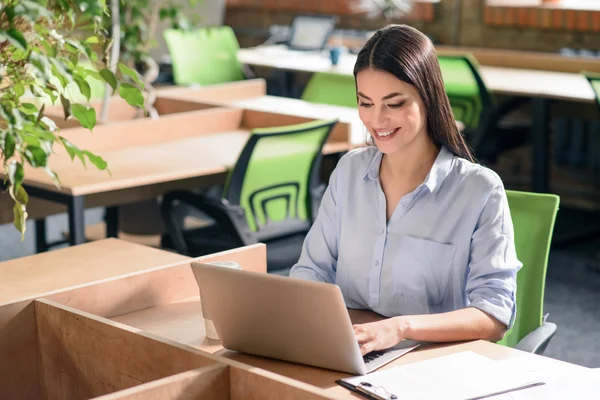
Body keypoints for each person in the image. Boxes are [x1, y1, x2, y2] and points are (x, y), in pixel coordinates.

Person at [289, 24, 522, 356]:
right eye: (365, 103)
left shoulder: (479, 191)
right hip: (350, 348)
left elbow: (494, 315)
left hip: (430, 360)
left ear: (428, 98)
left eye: (394, 103)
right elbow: (312, 269)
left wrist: (400, 327)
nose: (377, 119)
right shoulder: (350, 171)